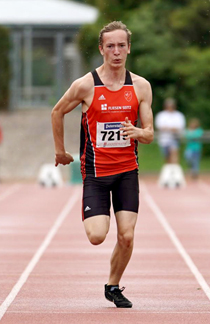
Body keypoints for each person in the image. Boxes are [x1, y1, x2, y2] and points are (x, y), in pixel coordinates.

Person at [51, 21, 154, 308]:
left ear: (129, 48)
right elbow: (57, 111)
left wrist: (138, 133)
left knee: (127, 236)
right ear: (101, 49)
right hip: (95, 173)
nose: (116, 51)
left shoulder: (141, 86)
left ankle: (113, 285)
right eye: (111, 46)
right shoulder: (86, 85)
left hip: (127, 172)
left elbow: (149, 133)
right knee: (97, 236)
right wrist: (60, 151)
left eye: (122, 45)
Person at [155, 98, 186, 164]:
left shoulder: (178, 115)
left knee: (174, 154)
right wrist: (171, 129)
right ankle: (169, 170)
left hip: (175, 138)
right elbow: (160, 127)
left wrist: (168, 128)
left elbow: (180, 127)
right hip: (164, 140)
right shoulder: (161, 115)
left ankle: (174, 168)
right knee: (166, 157)